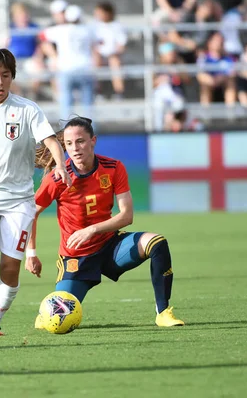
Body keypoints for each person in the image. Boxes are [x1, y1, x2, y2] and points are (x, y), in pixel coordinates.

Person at [26, 116, 184, 327]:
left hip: (111, 247)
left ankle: (163, 312)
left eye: (81, 141)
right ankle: (47, 312)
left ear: (93, 141)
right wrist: (31, 254)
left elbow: (126, 216)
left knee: (157, 242)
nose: (75, 148)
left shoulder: (113, 168)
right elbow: (30, 214)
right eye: (69, 144)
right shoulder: (58, 178)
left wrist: (91, 230)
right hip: (77, 257)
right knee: (53, 318)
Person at [0, 47, 70, 337]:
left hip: (18, 200)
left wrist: (60, 165)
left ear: (12, 78)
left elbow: (49, 140)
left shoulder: (27, 109)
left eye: (5, 75)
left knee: (10, 267)